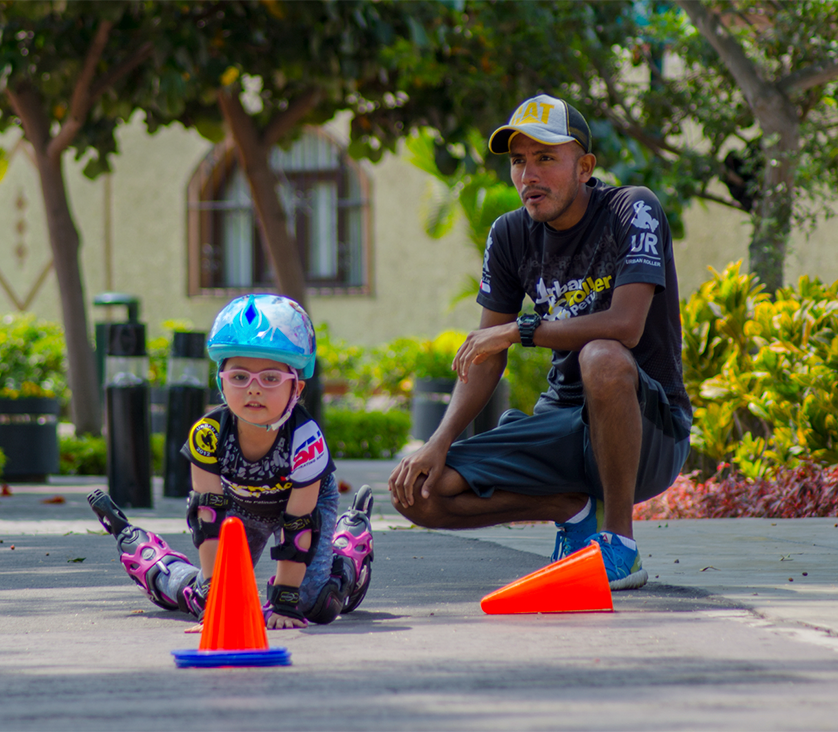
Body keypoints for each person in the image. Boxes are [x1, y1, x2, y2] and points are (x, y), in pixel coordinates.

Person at [389, 94, 691, 590]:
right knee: (420, 494)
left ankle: (619, 546)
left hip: (649, 429)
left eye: (546, 158)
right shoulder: (509, 235)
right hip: (564, 423)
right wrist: (437, 442)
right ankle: (572, 510)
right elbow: (486, 356)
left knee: (603, 357)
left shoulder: (632, 211)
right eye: (518, 161)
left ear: (584, 166)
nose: (529, 175)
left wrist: (522, 329)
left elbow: (626, 326)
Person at [90, 294, 375, 629]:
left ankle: (348, 554)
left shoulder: (305, 440)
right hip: (240, 506)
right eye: (239, 377)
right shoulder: (207, 435)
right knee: (208, 599)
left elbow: (299, 522)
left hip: (303, 506)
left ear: (297, 388)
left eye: (270, 378)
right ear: (221, 382)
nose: (253, 390)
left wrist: (284, 601)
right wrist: (213, 599)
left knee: (314, 603)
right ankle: (151, 559)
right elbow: (209, 519)